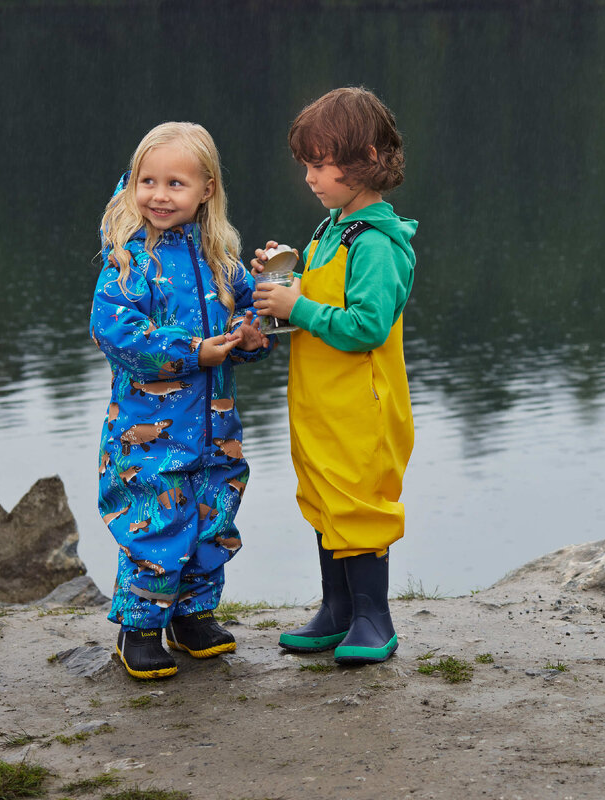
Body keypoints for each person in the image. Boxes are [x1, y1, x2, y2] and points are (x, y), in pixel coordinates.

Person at [91, 122, 271, 680]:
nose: (159, 195)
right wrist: (195, 351)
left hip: (216, 431)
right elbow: (116, 333)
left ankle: (192, 617)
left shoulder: (221, 260)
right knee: (157, 524)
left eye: (175, 183)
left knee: (212, 517)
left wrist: (249, 332)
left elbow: (250, 313)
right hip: (149, 433)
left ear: (206, 190)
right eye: (148, 181)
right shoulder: (130, 263)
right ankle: (140, 628)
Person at [252, 87, 417, 665]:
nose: (309, 177)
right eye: (306, 164)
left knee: (358, 504)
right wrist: (287, 279)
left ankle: (374, 618)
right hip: (320, 404)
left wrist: (295, 307)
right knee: (323, 498)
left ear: (365, 158)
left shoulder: (376, 243)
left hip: (361, 408)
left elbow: (367, 326)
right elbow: (323, 297)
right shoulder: (332, 229)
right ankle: (337, 610)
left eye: (319, 164)